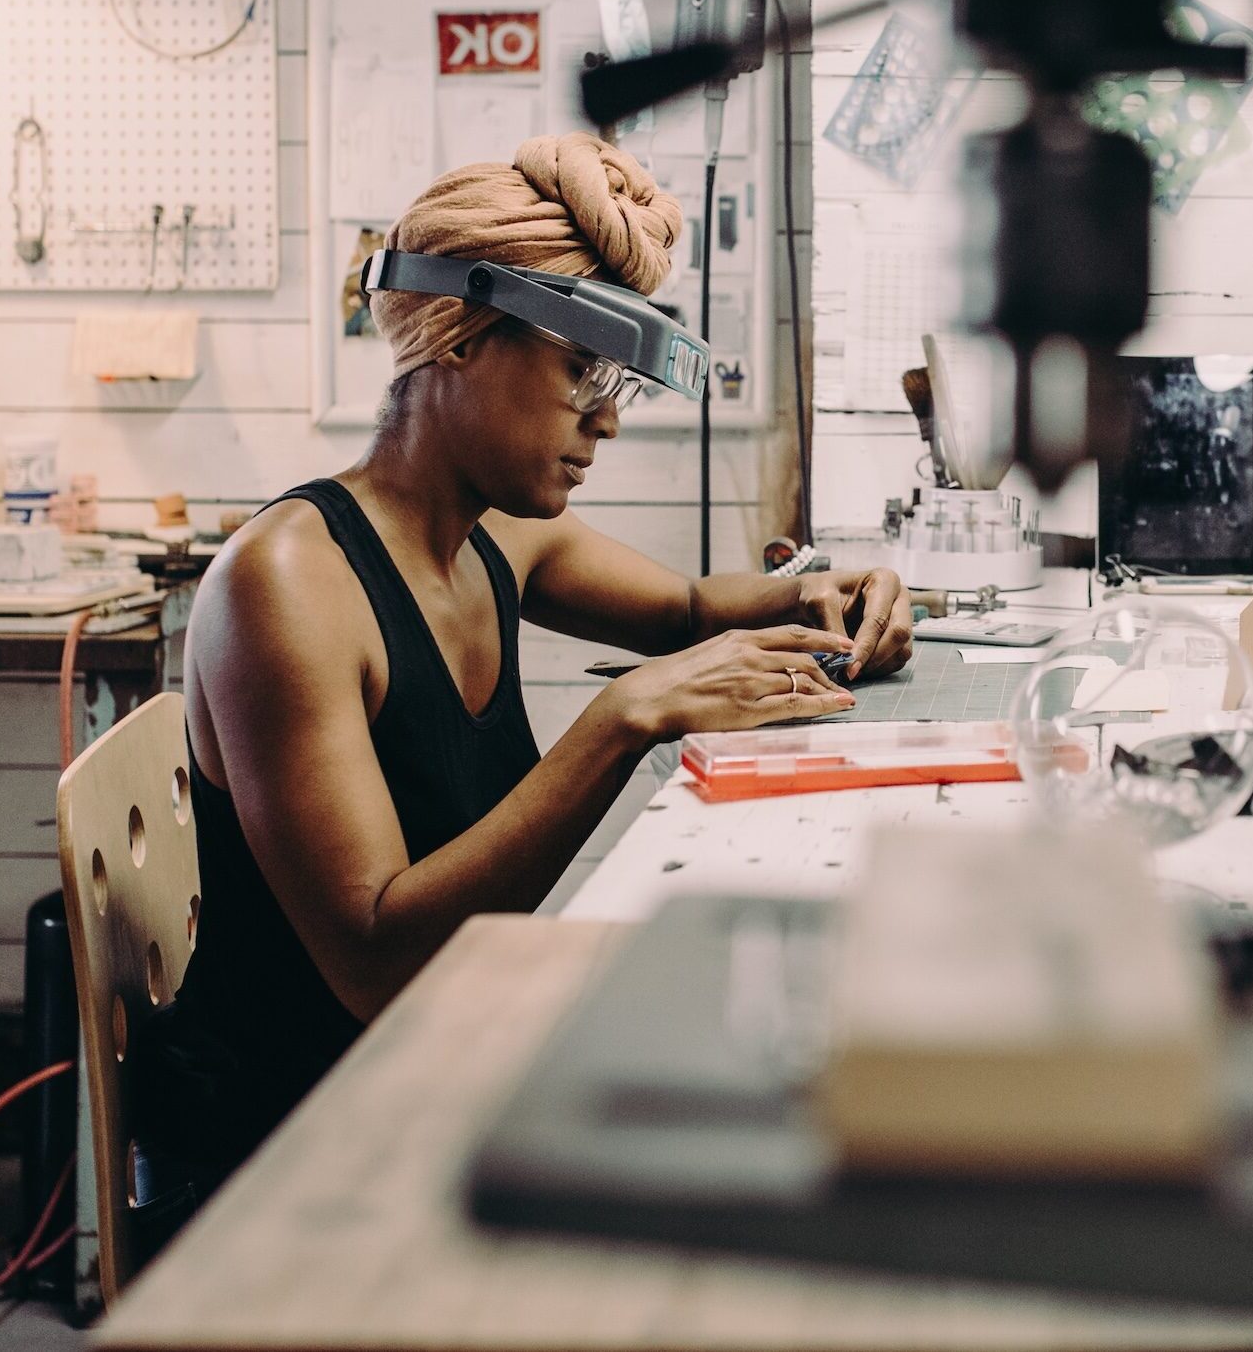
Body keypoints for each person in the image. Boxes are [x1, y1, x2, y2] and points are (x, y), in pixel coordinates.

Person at [126, 133, 910, 1240]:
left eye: (620, 382)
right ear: (461, 337)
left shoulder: (495, 534)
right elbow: (375, 963)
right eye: (582, 372)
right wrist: (622, 719)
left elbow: (689, 609)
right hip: (300, 1145)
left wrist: (844, 588)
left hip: (441, 1055)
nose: (610, 419)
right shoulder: (290, 584)